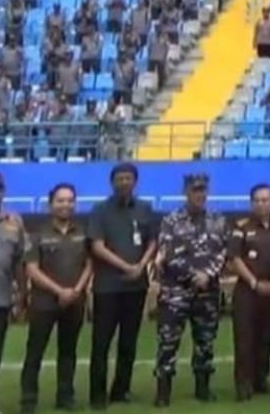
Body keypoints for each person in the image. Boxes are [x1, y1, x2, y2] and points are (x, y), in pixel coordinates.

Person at [153, 174, 228, 407]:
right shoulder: (171, 221)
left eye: (203, 190)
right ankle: (163, 392)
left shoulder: (218, 220)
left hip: (208, 292)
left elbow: (225, 252)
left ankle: (203, 388)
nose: (200, 194)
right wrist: (193, 276)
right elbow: (167, 255)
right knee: (168, 342)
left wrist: (208, 275)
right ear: (185, 192)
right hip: (176, 292)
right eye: (195, 190)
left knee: (205, 341)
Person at [87, 162, 157, 409]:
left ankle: (121, 390)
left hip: (136, 287)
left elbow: (153, 242)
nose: (124, 182)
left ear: (135, 181)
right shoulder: (100, 211)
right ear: (112, 182)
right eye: (119, 178)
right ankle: (97, 394)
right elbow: (97, 246)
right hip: (107, 286)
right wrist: (127, 267)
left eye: (128, 178)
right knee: (101, 342)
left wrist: (141, 265)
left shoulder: (145, 209)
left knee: (129, 342)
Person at [21, 182, 92, 414]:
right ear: (51, 204)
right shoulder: (37, 233)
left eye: (70, 200)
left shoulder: (83, 231)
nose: (66, 205)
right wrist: (59, 291)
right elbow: (32, 269)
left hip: (74, 301)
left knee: (68, 351)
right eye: (61, 200)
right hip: (44, 303)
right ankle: (28, 400)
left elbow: (90, 264)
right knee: (35, 352)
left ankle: (65, 396)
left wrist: (76, 290)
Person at [227, 183, 270, 401]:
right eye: (257, 200)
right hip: (247, 292)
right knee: (245, 340)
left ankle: (261, 380)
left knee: (266, 339)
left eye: (265, 200)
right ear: (251, 202)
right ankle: (243, 385)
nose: (261, 204)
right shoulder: (240, 226)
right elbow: (234, 259)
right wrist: (254, 283)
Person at [0, 172, 25, 413]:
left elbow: (20, 262)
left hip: (0, 300)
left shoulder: (15, 222)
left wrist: (21, 295)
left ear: (3, 191)